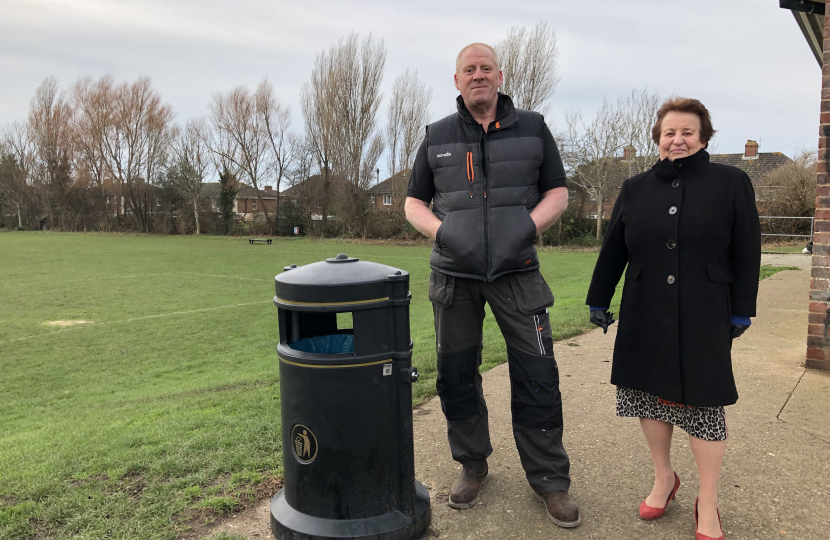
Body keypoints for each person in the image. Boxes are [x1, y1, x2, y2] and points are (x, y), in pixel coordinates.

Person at [404, 43, 578, 528]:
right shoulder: (435, 135)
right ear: (456, 81)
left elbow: (558, 192)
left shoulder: (534, 128)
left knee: (538, 373)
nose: (478, 75)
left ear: (500, 76)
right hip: (454, 276)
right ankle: (472, 464)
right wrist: (445, 232)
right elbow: (413, 202)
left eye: (486, 68)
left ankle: (550, 480)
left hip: (517, 271)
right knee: (456, 373)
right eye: (469, 70)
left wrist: (527, 228)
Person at [586, 98, 761, 540]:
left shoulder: (732, 182)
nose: (677, 139)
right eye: (669, 132)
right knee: (649, 396)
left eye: (687, 132)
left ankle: (709, 500)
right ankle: (665, 477)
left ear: (703, 137)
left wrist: (742, 308)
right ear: (658, 139)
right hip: (644, 308)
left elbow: (747, 250)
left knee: (705, 404)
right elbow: (614, 249)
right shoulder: (635, 187)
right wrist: (599, 297)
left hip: (706, 311)